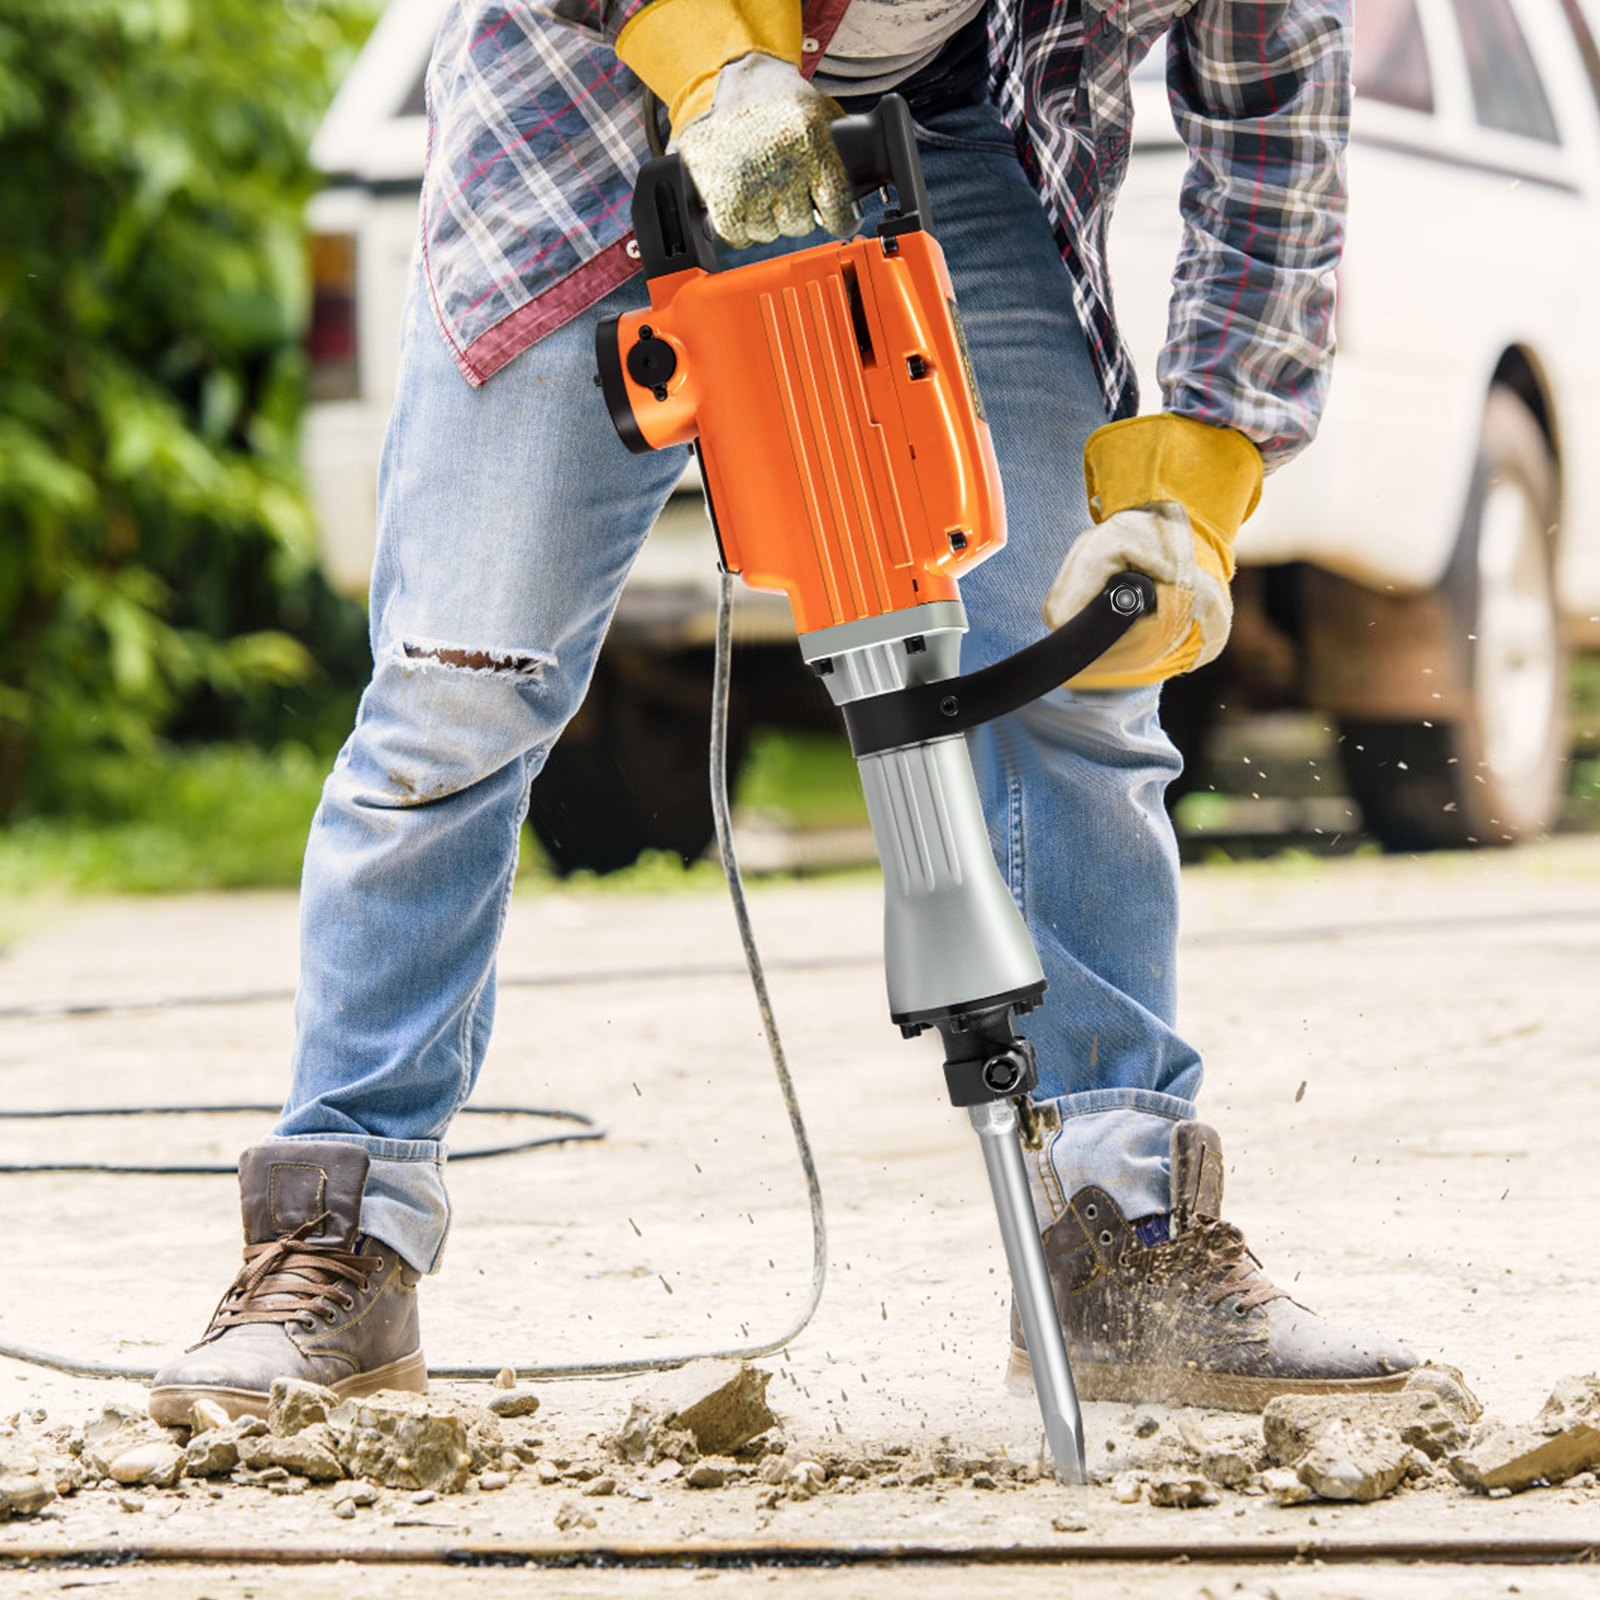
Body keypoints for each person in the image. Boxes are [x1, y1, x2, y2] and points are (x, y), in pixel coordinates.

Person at [150, 0, 1418, 1426]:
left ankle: (1121, 1238)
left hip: (940, 123)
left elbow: (1273, 132)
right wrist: (699, 50)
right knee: (462, 689)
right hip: (595, 104)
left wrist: (1193, 488)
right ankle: (339, 1237)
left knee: (1083, 670)